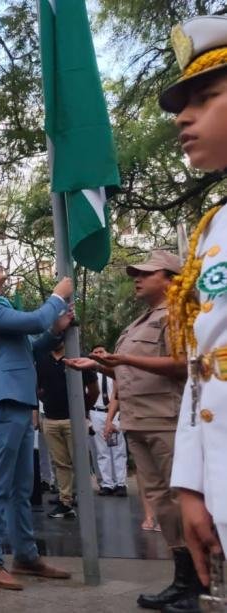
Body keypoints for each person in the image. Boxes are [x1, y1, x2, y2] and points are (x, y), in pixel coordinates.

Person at [66, 250, 192, 609]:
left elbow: (183, 364)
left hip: (167, 420)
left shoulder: (178, 315)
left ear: (169, 278)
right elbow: (132, 371)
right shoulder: (140, 321)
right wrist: (100, 365)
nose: (137, 278)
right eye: (135, 273)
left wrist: (122, 359)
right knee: (162, 505)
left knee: (180, 501)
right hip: (139, 421)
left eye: (146, 273)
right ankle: (183, 580)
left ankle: (201, 580)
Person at [156, 24, 227, 610]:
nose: (184, 118)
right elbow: (201, 367)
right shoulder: (212, 229)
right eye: (182, 105)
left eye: (206, 98)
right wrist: (194, 485)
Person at [0, 258, 74, 590]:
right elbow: (35, 320)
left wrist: (55, 333)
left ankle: (25, 556)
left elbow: (29, 347)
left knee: (22, 488)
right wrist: (58, 297)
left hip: (16, 403)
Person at [35, 339, 97, 519]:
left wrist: (83, 410)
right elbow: (38, 388)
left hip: (74, 420)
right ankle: (65, 501)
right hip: (51, 419)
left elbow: (93, 391)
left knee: (80, 461)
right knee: (60, 463)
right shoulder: (42, 360)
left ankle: (83, 498)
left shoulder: (78, 357)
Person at [84, 344, 129, 497]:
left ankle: (121, 483)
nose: (98, 354)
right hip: (96, 413)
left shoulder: (114, 369)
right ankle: (106, 483)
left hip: (113, 412)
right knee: (101, 450)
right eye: (95, 352)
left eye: (101, 351)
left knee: (117, 448)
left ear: (107, 353)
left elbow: (119, 391)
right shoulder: (88, 372)